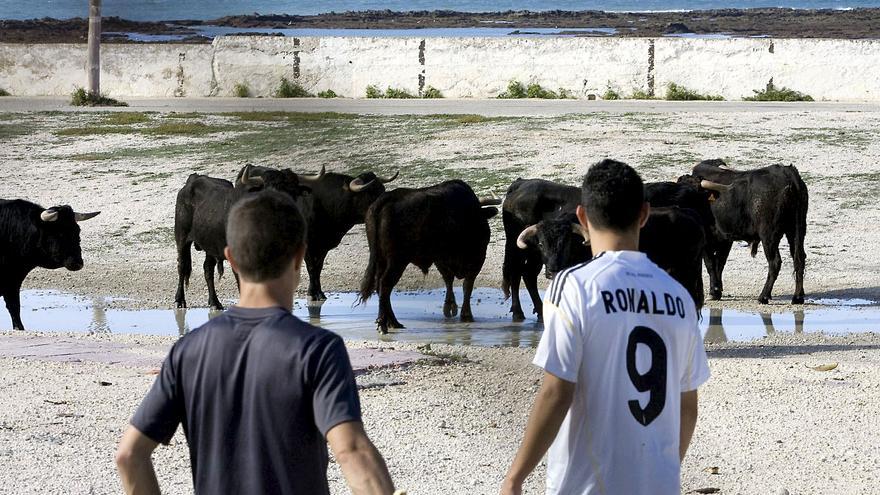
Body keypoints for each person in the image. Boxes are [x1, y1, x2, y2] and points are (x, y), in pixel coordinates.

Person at [115, 190, 395, 495]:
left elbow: (129, 456)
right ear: (300, 255)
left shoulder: (187, 351)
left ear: (231, 258)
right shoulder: (318, 349)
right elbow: (351, 451)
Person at [501, 159, 711, 495]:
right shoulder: (679, 298)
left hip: (586, 486)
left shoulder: (574, 285)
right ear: (644, 215)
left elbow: (557, 391)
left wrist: (516, 476)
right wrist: (662, 471)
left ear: (582, 218)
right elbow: (688, 408)